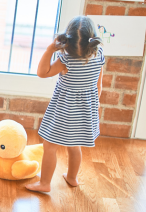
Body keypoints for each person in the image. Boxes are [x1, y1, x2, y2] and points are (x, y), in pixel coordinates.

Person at [26, 16, 104, 192]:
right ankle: (72, 177)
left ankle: (45, 183)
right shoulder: (99, 55)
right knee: (74, 145)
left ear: (66, 40)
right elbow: (99, 85)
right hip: (85, 111)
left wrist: (49, 50)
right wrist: (94, 104)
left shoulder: (66, 60)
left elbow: (42, 72)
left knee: (50, 146)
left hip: (64, 111)